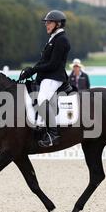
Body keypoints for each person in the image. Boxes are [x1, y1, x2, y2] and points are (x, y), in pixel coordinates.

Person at [19, 10, 71, 148]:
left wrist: (34, 69)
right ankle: (38, 126)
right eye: (46, 22)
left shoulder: (61, 40)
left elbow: (53, 64)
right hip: (47, 76)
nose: (46, 25)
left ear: (58, 24)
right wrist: (30, 71)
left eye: (49, 22)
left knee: (42, 99)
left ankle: (53, 135)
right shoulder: (53, 38)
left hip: (55, 76)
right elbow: (43, 61)